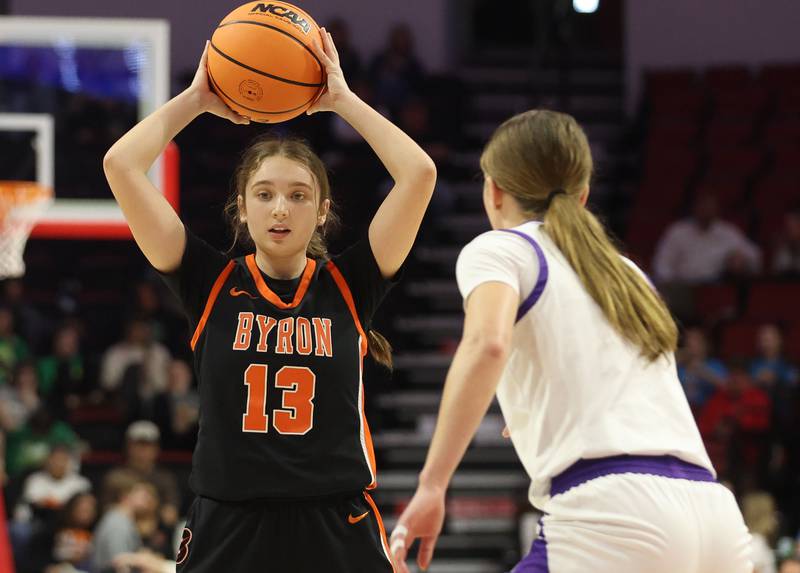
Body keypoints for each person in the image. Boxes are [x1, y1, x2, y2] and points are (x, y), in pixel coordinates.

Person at [102, 28, 435, 573]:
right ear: (242, 207)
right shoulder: (207, 280)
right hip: (230, 521)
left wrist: (342, 101)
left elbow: (419, 173)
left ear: (322, 210)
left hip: (335, 521)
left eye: (298, 195)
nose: (281, 209)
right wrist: (197, 100)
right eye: (265, 194)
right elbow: (121, 165)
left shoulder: (352, 283)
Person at [390, 110, 751, 573]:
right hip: (715, 515)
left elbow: (487, 345)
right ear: (582, 195)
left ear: (494, 191)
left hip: (614, 512)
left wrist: (432, 484)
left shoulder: (502, 249)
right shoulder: (628, 275)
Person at [653, 193, 761, 284]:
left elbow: (755, 255)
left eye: (710, 206)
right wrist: (673, 285)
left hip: (715, 287)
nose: (706, 209)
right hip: (683, 287)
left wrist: (742, 260)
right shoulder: (678, 231)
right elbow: (662, 266)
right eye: (703, 205)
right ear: (695, 207)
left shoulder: (727, 232)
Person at [101, 421, 180, 529]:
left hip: (156, 532)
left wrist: (150, 507)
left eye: (147, 446)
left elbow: (171, 515)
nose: (142, 451)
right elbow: (104, 511)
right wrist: (129, 507)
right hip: (122, 528)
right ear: (127, 447)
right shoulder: (114, 477)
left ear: (156, 449)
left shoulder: (165, 478)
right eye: (138, 445)